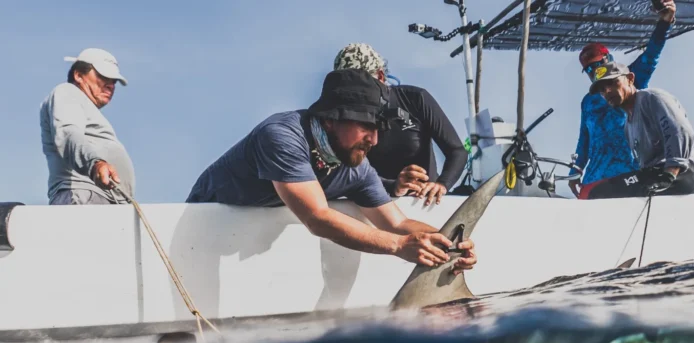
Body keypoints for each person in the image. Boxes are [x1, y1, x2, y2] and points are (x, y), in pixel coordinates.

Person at [186, 68, 477, 273]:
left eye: (378, 130)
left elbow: (397, 224)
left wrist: (449, 244)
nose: (373, 140)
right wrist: (400, 246)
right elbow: (318, 218)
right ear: (329, 120)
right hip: (199, 225)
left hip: (251, 244)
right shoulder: (281, 136)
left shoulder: (357, 168)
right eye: (365, 126)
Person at [333, 43, 468, 206]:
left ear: (381, 77)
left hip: (423, 204)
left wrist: (442, 184)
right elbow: (345, 171)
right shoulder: (339, 116)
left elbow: (457, 151)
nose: (356, 96)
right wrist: (394, 186)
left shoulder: (416, 99)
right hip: (376, 206)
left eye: (362, 87)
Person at [568, 0, 677, 200]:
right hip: (595, 178)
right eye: (589, 70)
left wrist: (664, 23)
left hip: (628, 176)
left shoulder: (627, 80)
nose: (595, 73)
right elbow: (584, 139)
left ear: (609, 60)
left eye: (599, 65)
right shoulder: (588, 101)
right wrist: (575, 170)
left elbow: (651, 55)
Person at [586, 62, 694, 198]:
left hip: (678, 174)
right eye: (602, 90)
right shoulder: (628, 126)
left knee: (599, 193)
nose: (607, 91)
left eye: (612, 83)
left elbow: (679, 131)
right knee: (598, 190)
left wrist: (669, 174)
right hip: (653, 174)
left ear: (630, 79)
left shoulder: (652, 98)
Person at [39, 48, 135, 205]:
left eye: (114, 81)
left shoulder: (83, 106)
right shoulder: (67, 92)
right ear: (78, 75)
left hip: (102, 200)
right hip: (83, 195)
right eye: (104, 77)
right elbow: (69, 134)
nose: (111, 85)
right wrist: (95, 163)